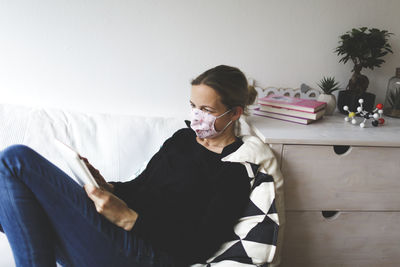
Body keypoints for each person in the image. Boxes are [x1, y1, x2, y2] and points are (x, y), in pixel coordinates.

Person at [0, 65, 258, 267]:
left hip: (148, 256)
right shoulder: (182, 139)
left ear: (234, 113)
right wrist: (108, 186)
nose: (196, 116)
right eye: (193, 106)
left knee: (15, 160)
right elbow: (142, 187)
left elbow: (199, 246)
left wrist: (130, 219)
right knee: (15, 190)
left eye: (207, 109)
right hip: (118, 236)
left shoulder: (233, 170)